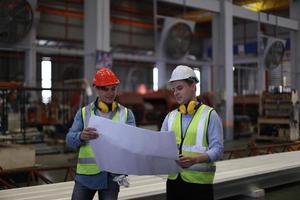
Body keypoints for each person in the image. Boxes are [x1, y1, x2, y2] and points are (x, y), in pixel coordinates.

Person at [66, 67, 136, 200]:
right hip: (86, 177)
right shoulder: (84, 113)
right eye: (105, 89)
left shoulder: (126, 114)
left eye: (113, 88)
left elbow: (133, 144)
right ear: (96, 89)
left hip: (112, 177)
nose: (110, 93)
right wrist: (80, 136)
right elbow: (69, 140)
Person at [160, 65, 224, 200]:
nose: (176, 93)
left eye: (180, 88)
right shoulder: (170, 117)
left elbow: (218, 150)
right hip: (174, 182)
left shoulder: (209, 115)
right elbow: (160, 146)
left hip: (199, 184)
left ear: (193, 86)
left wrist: (195, 160)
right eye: (174, 89)